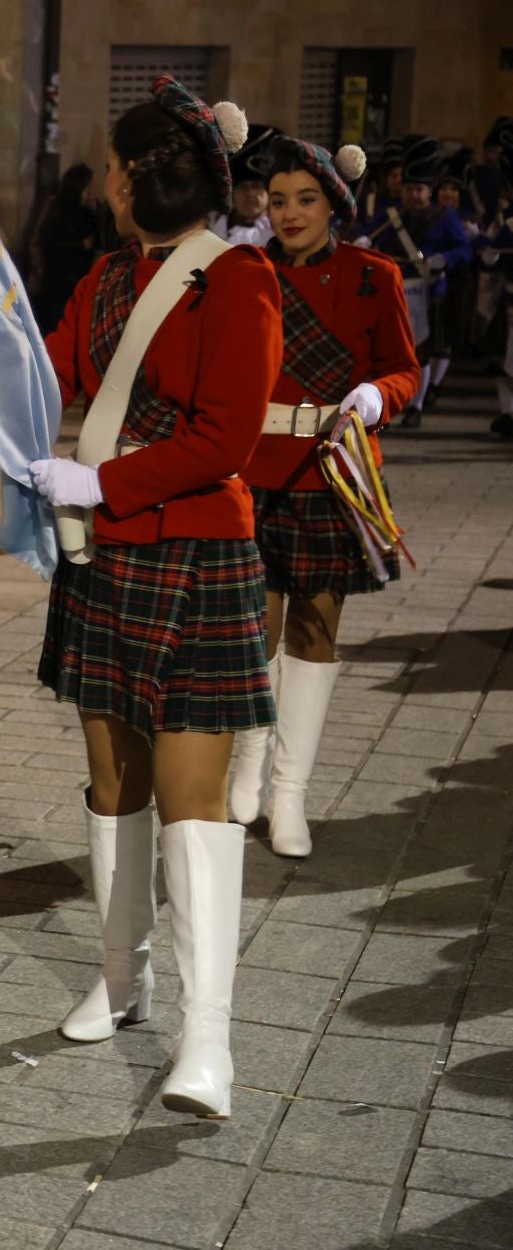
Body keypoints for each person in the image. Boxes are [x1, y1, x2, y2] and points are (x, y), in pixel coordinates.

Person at [28, 77, 282, 1120]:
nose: (114, 185)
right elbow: (45, 375)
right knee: (111, 776)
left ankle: (208, 1037)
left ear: (136, 177)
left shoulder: (240, 280)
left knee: (195, 794)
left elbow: (226, 439)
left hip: (195, 555)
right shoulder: (101, 280)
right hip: (104, 558)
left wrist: (102, 480)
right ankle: (121, 975)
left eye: (119, 168)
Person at [226, 136, 419, 858]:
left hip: (327, 473)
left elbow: (404, 369)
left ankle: (290, 797)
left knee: (313, 636)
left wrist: (374, 394)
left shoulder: (374, 276)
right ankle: (247, 768)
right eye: (277, 200)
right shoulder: (243, 274)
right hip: (248, 474)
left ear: (333, 203)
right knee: (254, 632)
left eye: (305, 199)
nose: (289, 213)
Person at [362, 134, 472, 424]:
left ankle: (417, 406)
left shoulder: (445, 216)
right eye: (409, 189)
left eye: (419, 189)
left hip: (431, 291)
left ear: (429, 191)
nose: (413, 195)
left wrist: (445, 259)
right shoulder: (391, 216)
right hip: (397, 293)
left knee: (425, 349)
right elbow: (371, 241)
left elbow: (464, 249)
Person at [33, 164, 101, 332]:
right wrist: (79, 246)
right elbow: (49, 244)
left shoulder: (87, 211)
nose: (90, 193)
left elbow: (97, 238)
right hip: (59, 283)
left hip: (78, 282)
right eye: (87, 188)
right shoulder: (58, 209)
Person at [207, 124, 278, 246]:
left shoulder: (279, 230)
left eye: (256, 186)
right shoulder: (209, 227)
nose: (250, 194)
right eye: (243, 187)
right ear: (232, 192)